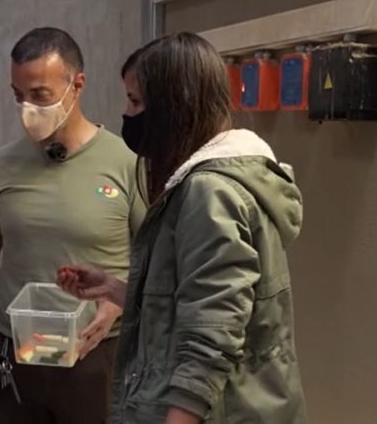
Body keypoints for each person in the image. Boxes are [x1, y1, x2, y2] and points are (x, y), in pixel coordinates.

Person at [58, 32, 307, 423]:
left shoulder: (210, 193)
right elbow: (193, 301)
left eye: (136, 101)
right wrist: (114, 289)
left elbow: (211, 337)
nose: (127, 113)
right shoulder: (221, 181)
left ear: (174, 107)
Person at [0, 27, 146, 423]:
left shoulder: (127, 163)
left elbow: (159, 265)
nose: (27, 109)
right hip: (17, 352)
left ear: (77, 85)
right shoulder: (1, 167)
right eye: (19, 95)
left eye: (40, 96)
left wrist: (119, 299)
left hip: (97, 351)